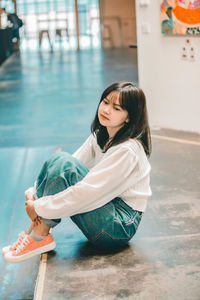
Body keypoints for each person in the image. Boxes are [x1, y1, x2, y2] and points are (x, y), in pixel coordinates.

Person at [2, 81, 152, 263]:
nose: (106, 110)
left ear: (129, 117)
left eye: (117, 108)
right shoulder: (101, 134)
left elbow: (88, 192)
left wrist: (40, 207)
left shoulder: (128, 151)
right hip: (105, 208)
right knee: (59, 159)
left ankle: (39, 235)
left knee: (65, 165)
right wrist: (34, 196)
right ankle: (36, 233)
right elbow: (66, 166)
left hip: (118, 227)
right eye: (105, 102)